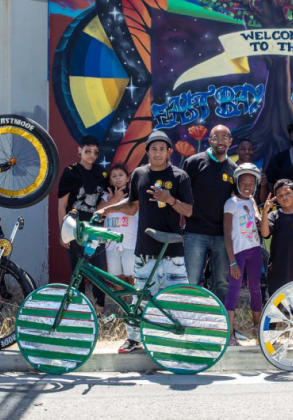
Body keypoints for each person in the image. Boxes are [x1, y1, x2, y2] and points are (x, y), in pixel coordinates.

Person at [96, 131, 193, 354]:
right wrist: (109, 208)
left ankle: (180, 340)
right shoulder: (139, 174)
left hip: (173, 252)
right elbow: (132, 206)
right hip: (145, 251)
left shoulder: (180, 176)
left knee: (177, 298)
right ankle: (133, 339)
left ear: (169, 152)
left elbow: (188, 210)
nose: (158, 153)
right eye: (153, 149)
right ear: (147, 151)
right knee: (139, 298)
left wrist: (169, 199)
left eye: (162, 149)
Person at [182, 125, 237, 302]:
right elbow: (181, 193)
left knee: (221, 282)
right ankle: (190, 318)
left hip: (222, 235)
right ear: (209, 141)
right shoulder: (194, 162)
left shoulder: (234, 169)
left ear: (230, 141)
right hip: (195, 232)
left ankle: (219, 320)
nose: (220, 141)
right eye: (216, 138)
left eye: (224, 137)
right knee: (191, 280)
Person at [56, 135, 109, 310]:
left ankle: (100, 308)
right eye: (87, 151)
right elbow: (62, 204)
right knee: (77, 270)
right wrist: (63, 231)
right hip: (75, 228)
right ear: (79, 150)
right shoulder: (70, 172)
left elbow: (104, 201)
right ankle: (77, 308)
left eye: (95, 152)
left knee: (98, 269)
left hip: (95, 229)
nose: (91, 155)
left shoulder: (101, 174)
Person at [223, 163, 263, 346]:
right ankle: (230, 335)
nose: (248, 186)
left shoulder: (252, 201)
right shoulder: (231, 203)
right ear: (236, 182)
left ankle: (257, 327)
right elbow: (227, 234)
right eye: (243, 182)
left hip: (255, 251)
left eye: (251, 183)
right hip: (238, 254)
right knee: (234, 291)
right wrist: (232, 262)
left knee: (256, 289)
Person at [260, 179, 293, 295]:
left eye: (288, 193)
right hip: (277, 270)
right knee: (278, 305)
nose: (284, 197)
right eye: (280, 195)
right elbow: (264, 233)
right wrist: (265, 211)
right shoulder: (273, 215)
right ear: (276, 199)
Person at [97, 164, 138, 288]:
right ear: (110, 180)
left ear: (128, 178)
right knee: (117, 278)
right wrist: (115, 199)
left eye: (121, 175)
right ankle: (122, 306)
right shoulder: (106, 196)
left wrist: (116, 202)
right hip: (112, 244)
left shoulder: (133, 195)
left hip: (130, 243)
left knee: (132, 277)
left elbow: (132, 211)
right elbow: (99, 211)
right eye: (114, 176)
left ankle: (137, 305)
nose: (118, 178)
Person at [236, 138, 268, 204]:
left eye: (250, 149)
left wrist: (263, 185)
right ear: (237, 151)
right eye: (243, 149)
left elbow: (263, 201)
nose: (247, 151)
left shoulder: (257, 171)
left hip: (253, 210)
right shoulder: (231, 169)